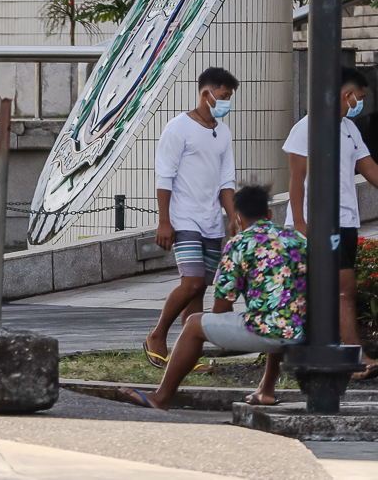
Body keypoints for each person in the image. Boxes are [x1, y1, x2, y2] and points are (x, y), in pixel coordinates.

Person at [121, 184, 307, 409]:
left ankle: (161, 397)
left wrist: (225, 334)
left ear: (237, 217)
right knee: (276, 312)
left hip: (272, 330)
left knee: (194, 324)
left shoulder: (239, 243)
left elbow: (221, 306)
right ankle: (266, 391)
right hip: (304, 330)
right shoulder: (296, 238)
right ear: (269, 214)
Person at [285, 66, 378, 379]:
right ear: (346, 94)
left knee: (324, 293)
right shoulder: (307, 128)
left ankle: (308, 354)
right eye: (360, 97)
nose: (361, 103)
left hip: (347, 221)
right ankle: (355, 357)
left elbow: (371, 171)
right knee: (343, 288)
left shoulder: (349, 129)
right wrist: (299, 222)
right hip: (319, 223)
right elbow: (296, 178)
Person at [145, 67, 240, 370]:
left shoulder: (222, 132)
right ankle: (156, 336)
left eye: (229, 98)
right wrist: (164, 221)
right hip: (183, 218)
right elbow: (165, 177)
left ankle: (189, 356)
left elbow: (227, 181)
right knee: (192, 282)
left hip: (211, 220)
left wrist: (233, 217)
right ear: (205, 94)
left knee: (200, 289)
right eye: (223, 96)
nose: (226, 102)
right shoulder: (178, 128)